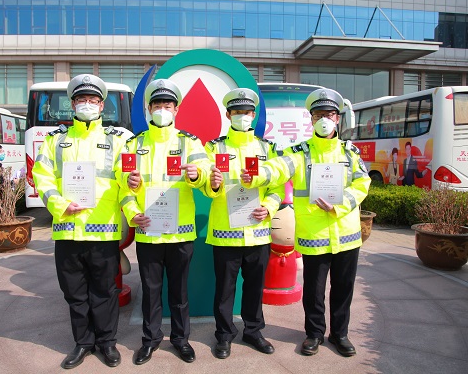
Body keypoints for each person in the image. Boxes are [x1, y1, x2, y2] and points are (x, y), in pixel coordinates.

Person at [241, 88, 371, 357]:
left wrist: (341, 204)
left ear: (337, 118)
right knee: (314, 290)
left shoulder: (350, 152)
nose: (324, 120)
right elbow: (277, 168)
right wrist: (255, 175)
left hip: (346, 234)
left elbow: (362, 183)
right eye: (318, 115)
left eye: (329, 114)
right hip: (314, 235)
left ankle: (340, 334)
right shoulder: (299, 153)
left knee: (343, 288)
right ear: (311, 119)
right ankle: (314, 334)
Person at [32, 74, 130, 369]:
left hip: (103, 233)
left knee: (105, 292)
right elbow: (42, 178)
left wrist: (133, 182)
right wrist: (60, 204)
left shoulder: (117, 140)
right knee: (74, 293)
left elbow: (126, 179)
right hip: (68, 231)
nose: (87, 104)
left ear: (102, 106)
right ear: (72, 104)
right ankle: (83, 343)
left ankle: (107, 342)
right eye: (81, 99)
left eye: (93, 100)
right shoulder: (55, 140)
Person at [117, 79, 210, 365]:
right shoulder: (135, 144)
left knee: (179, 293)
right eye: (157, 105)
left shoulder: (189, 142)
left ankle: (181, 339)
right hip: (149, 232)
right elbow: (123, 187)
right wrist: (132, 213)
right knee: (150, 291)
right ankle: (150, 340)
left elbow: (206, 173)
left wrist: (197, 175)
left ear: (176, 109)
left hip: (180, 234)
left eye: (167, 105)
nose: (162, 109)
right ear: (148, 108)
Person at [203, 88, 282, 359]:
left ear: (254, 114)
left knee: (254, 287)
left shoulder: (267, 148)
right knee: (225, 289)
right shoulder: (214, 147)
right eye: (237, 112)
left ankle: (253, 331)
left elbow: (277, 187)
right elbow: (205, 187)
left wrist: (268, 207)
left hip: (257, 232)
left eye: (247, 112)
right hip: (226, 233)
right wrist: (212, 184)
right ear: (228, 115)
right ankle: (224, 335)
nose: (243, 117)